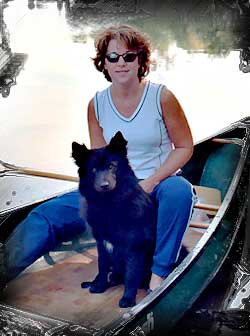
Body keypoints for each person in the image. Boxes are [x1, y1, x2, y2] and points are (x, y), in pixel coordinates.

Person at [2, 24, 195, 291]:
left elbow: (185, 147)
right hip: (113, 189)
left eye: (129, 56)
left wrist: (150, 182)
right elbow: (99, 161)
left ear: (140, 60)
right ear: (103, 64)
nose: (121, 63)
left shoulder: (161, 97)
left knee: (180, 191)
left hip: (156, 186)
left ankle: (159, 274)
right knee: (45, 215)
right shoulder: (97, 104)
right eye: (113, 57)